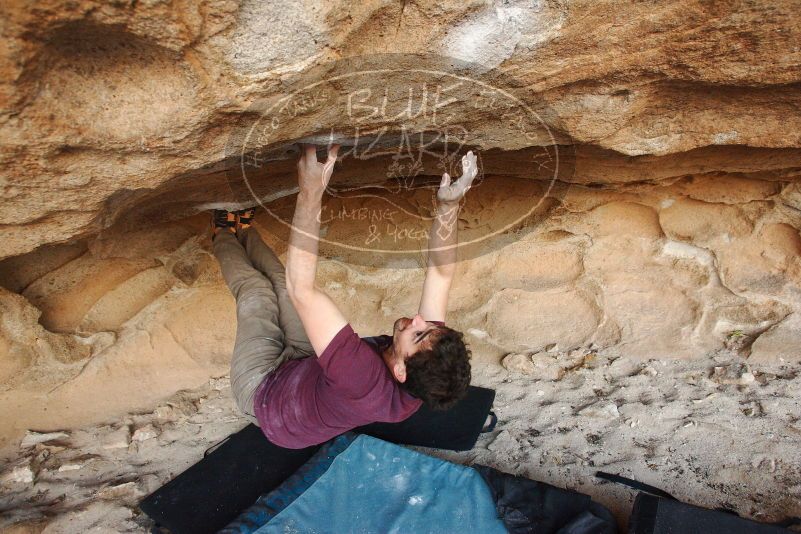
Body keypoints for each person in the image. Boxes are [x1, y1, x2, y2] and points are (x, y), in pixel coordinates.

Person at [210, 144, 478, 449]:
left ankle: (222, 234)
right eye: (428, 327)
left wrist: (310, 193)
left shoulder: (361, 379)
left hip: (266, 395)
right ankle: (244, 228)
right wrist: (449, 207)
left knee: (257, 293)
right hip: (306, 370)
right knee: (279, 287)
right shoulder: (422, 371)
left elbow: (304, 290)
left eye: (418, 334)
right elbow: (441, 275)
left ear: (400, 371)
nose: (418, 320)